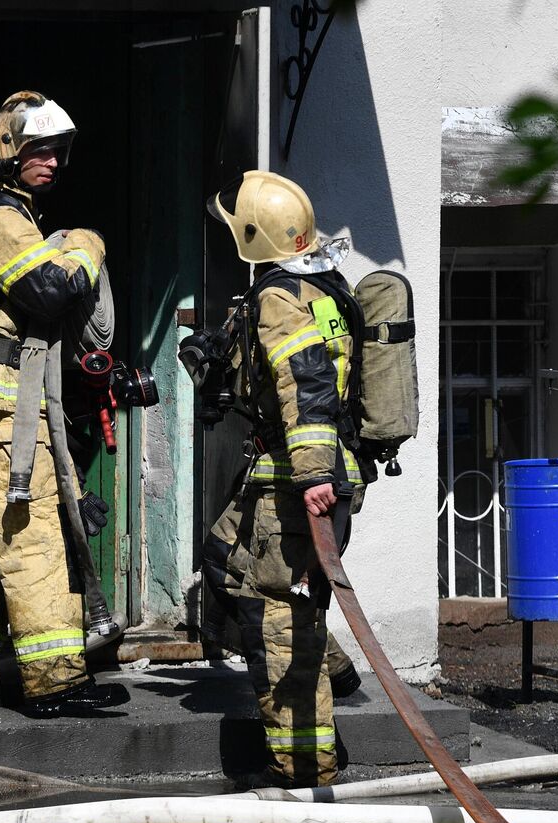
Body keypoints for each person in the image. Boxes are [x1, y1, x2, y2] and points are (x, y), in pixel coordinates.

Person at [0, 90, 127, 718]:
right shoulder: (4, 217)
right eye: (38, 149)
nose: (53, 161)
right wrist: (88, 247)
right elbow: (52, 291)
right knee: (32, 535)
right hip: (3, 408)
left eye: (58, 150)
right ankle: (56, 681)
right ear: (9, 151)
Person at [199, 170, 367, 789]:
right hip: (280, 478)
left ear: (252, 236)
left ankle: (303, 763)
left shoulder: (278, 298)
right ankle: (338, 673)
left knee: (278, 615)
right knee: (220, 558)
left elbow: (307, 381)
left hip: (296, 486)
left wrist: (315, 474)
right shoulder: (320, 287)